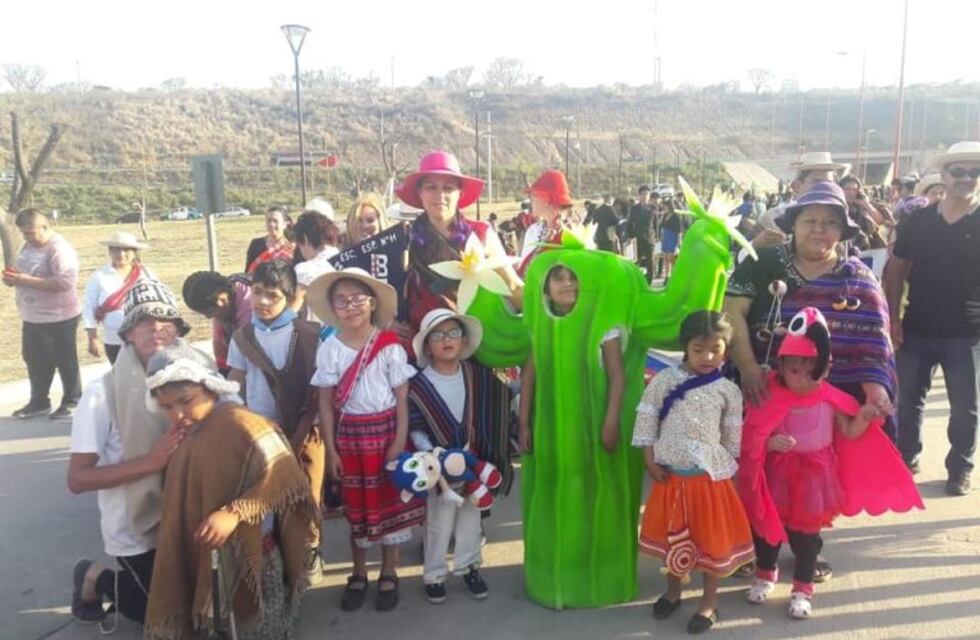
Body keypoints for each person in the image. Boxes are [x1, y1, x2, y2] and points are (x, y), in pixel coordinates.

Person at [724, 181, 897, 581]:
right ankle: (753, 547)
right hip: (761, 390)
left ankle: (806, 551)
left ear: (843, 230)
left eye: (830, 222)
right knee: (756, 467)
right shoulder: (763, 261)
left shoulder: (856, 276)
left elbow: (875, 337)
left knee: (812, 477)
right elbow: (731, 313)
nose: (819, 229)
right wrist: (748, 368)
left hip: (822, 401)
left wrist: (875, 387)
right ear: (794, 224)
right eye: (810, 220)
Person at [738, 307, 922, 619]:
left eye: (810, 370)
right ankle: (765, 573)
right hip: (776, 476)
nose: (800, 378)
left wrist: (863, 417)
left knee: (806, 537)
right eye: (793, 370)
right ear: (781, 366)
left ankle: (802, 588)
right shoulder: (771, 395)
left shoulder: (831, 398)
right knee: (766, 529)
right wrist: (769, 444)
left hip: (815, 479)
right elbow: (751, 437)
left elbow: (849, 432)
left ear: (826, 368)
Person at [142, 343, 317, 640]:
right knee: (218, 623)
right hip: (208, 551)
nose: (177, 413)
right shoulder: (186, 431)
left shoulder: (243, 423)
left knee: (259, 627)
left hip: (253, 552)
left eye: (185, 401)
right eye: (167, 407)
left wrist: (234, 513)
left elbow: (285, 475)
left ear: (211, 388)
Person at [67, 281, 190, 628]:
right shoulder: (101, 394)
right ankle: (94, 576)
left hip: (186, 515)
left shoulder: (196, 379)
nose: (156, 328)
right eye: (144, 321)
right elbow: (77, 479)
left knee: (202, 600)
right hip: (136, 528)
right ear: (128, 333)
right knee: (165, 618)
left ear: (178, 331)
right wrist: (151, 463)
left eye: (165, 320)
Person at [308, 267, 423, 612]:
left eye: (357, 298)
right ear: (332, 308)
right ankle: (358, 572)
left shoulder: (389, 346)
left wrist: (398, 442)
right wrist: (331, 450)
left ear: (372, 303)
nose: (350, 306)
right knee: (356, 508)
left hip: (386, 434)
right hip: (349, 440)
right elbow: (325, 403)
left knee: (390, 506)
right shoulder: (330, 348)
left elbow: (401, 398)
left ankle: (389, 570)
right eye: (341, 300)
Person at [633, 311, 754, 634]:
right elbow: (647, 417)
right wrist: (649, 459)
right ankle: (673, 592)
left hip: (710, 481)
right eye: (699, 349)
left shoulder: (728, 390)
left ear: (725, 349)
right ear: (686, 347)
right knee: (675, 538)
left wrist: (728, 473)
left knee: (711, 542)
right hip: (671, 479)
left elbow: (732, 436)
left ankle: (709, 603)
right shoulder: (664, 380)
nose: (708, 357)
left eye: (716, 349)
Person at [884, 141, 980, 495]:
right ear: (944, 175)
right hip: (917, 327)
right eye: (959, 171)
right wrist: (893, 319)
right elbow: (896, 269)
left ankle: (960, 469)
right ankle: (905, 457)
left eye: (974, 172)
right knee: (908, 401)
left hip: (968, 333)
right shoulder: (918, 221)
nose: (966, 178)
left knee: (965, 407)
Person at [407, 309, 512, 604]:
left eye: (453, 333)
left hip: (473, 460)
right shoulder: (419, 385)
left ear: (464, 341)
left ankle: (469, 567)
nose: (447, 340)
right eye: (438, 335)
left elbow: (495, 406)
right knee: (438, 523)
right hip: (437, 467)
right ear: (428, 346)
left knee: (471, 518)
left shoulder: (477, 376)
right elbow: (416, 425)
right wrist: (432, 456)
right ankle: (434, 574)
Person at [227, 259, 324, 578]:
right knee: (264, 496)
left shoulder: (309, 335)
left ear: (291, 297)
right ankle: (271, 564)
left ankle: (309, 553)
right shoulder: (242, 337)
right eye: (257, 292)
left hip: (305, 429)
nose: (263, 301)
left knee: (306, 494)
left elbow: (321, 386)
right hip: (260, 432)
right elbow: (236, 382)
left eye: (273, 295)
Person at [399, 150, 516, 333]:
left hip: (478, 337)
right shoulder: (405, 239)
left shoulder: (481, 233)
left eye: (448, 188)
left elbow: (512, 286)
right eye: (431, 187)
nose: (440, 195)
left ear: (460, 193)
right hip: (423, 338)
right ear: (419, 193)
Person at [3, 208, 82, 419]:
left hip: (59, 316)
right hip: (32, 316)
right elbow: (24, 273)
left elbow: (65, 282)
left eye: (30, 233)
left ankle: (73, 400)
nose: (26, 237)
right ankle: (39, 402)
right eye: (23, 233)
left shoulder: (59, 249)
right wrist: (12, 279)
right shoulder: (28, 247)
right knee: (35, 360)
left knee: (64, 360)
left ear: (45, 227)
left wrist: (25, 280)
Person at [83, 231, 156, 364]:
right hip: (114, 340)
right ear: (110, 252)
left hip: (145, 338)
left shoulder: (146, 274)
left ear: (134, 252)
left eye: (126, 250)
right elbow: (89, 308)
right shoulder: (99, 276)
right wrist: (92, 338)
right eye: (116, 250)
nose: (121, 254)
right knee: (121, 375)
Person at [753, 152, 849, 250]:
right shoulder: (771, 219)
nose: (824, 188)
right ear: (797, 186)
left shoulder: (838, 220)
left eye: (829, 184)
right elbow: (744, 253)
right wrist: (756, 244)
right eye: (817, 182)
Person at [182, 270, 252, 375]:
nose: (208, 317)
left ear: (222, 300)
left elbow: (247, 354)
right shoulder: (224, 304)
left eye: (208, 312)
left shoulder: (249, 305)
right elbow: (220, 348)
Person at [519, 169, 575, 272]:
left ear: (546, 199)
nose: (531, 203)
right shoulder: (534, 230)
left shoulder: (575, 233)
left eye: (533, 198)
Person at [291, 209, 342, 318]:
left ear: (304, 239)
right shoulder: (344, 259)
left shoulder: (305, 269)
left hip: (319, 326)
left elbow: (293, 308)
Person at [245, 206, 294, 275]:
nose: (271, 224)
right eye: (269, 221)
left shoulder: (290, 248)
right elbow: (248, 272)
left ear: (284, 224)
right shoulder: (256, 244)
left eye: (275, 221)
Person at [629, 186, 656, 283]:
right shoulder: (634, 209)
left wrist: (657, 237)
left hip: (649, 239)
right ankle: (638, 281)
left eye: (647, 194)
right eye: (643, 194)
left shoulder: (653, 208)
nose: (645, 196)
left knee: (650, 261)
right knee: (637, 262)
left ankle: (649, 282)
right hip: (637, 239)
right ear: (639, 195)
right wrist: (630, 236)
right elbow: (630, 223)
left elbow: (656, 224)